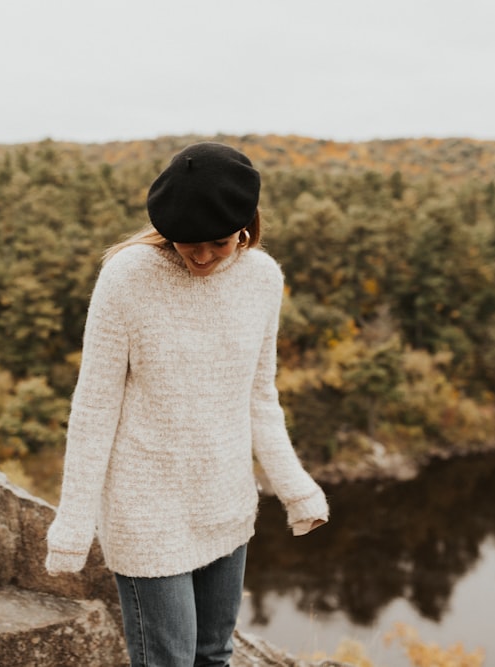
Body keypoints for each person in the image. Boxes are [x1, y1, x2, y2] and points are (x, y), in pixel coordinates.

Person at [45, 141, 329, 667]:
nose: (199, 256)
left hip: (225, 498)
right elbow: (94, 406)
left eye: (217, 243)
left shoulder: (263, 278)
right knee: (168, 661)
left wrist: (296, 490)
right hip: (145, 506)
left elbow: (260, 395)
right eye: (185, 243)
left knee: (214, 654)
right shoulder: (128, 277)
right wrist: (73, 522)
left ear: (246, 226)